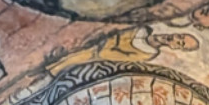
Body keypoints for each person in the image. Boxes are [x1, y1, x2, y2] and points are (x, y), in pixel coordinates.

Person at [45, 25, 198, 74]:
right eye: (180, 36)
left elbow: (109, 54)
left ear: (175, 48)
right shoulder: (144, 28)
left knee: (58, 66)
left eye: (180, 43)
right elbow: (116, 29)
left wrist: (112, 39)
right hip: (90, 37)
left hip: (89, 54)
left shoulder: (147, 54)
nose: (176, 39)